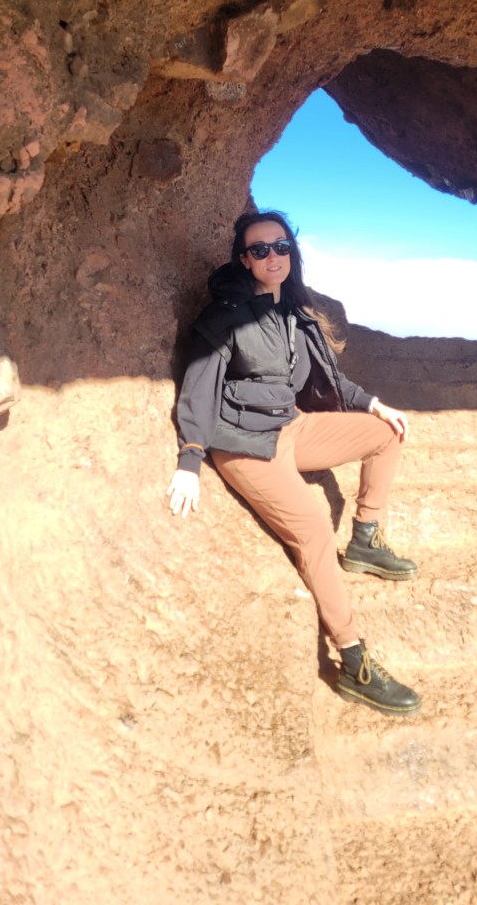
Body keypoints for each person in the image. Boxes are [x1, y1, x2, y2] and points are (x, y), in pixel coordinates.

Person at [166, 210, 421, 716]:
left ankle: (366, 543)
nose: (272, 257)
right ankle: (353, 660)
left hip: (291, 427)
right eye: (259, 250)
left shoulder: (294, 314)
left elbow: (327, 379)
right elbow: (198, 388)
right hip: (244, 443)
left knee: (387, 433)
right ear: (243, 259)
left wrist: (372, 404)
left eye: (280, 246)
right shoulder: (225, 315)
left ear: (292, 251)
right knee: (312, 528)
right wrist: (190, 460)